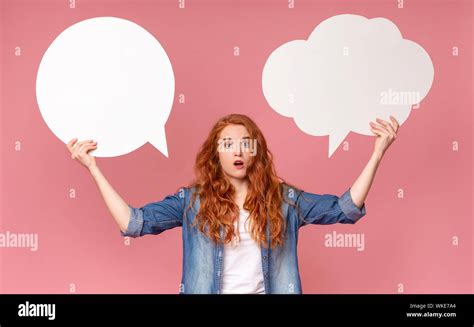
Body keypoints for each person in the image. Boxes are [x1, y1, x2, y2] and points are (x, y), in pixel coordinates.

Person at [66, 113, 399, 294]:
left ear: (255, 151)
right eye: (228, 144)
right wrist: (93, 169)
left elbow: (344, 209)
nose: (237, 150)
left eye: (245, 143)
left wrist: (377, 153)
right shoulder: (192, 202)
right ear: (217, 154)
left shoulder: (285, 200)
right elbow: (132, 223)